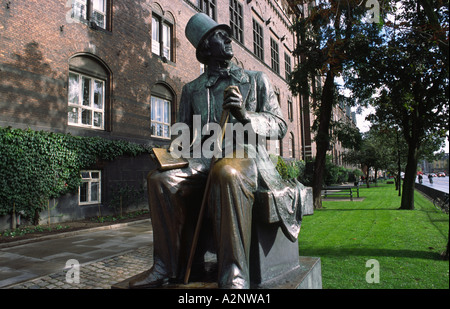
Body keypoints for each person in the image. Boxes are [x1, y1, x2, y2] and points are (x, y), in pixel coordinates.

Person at [129, 13, 303, 289]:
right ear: (206, 48)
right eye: (220, 36)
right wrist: (169, 155)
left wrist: (246, 115)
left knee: (227, 171)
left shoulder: (256, 80)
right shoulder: (192, 89)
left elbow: (279, 125)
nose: (228, 38)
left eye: (226, 34)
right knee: (159, 180)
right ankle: (165, 266)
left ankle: (233, 274)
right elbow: (181, 136)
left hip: (245, 156)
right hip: (201, 159)